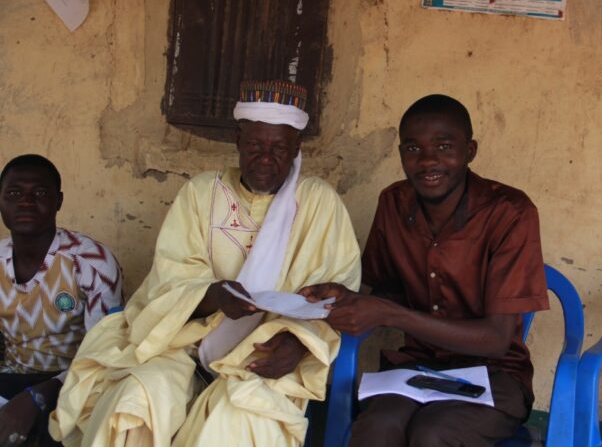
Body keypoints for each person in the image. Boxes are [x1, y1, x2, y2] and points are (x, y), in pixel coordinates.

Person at [50, 80, 361, 446]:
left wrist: (298, 345)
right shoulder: (201, 193)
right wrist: (215, 296)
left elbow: (337, 294)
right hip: (183, 344)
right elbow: (171, 278)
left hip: (266, 355)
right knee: (134, 400)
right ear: (237, 141)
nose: (266, 158)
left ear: (297, 149)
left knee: (234, 421)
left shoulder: (318, 203)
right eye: (256, 145)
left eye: (279, 148)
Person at [301, 94, 549, 446]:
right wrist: (349, 299)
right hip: (417, 368)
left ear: (470, 150)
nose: (428, 161)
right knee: (376, 429)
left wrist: (390, 314)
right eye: (413, 149)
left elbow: (496, 339)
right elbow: (389, 292)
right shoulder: (394, 202)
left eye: (444, 146)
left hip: (494, 376)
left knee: (433, 434)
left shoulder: (510, 212)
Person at [0, 154, 123, 446]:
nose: (27, 202)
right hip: (12, 376)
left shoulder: (91, 262)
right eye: (15, 193)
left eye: (40, 193)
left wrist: (37, 397)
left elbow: (104, 355)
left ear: (59, 201)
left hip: (74, 384)